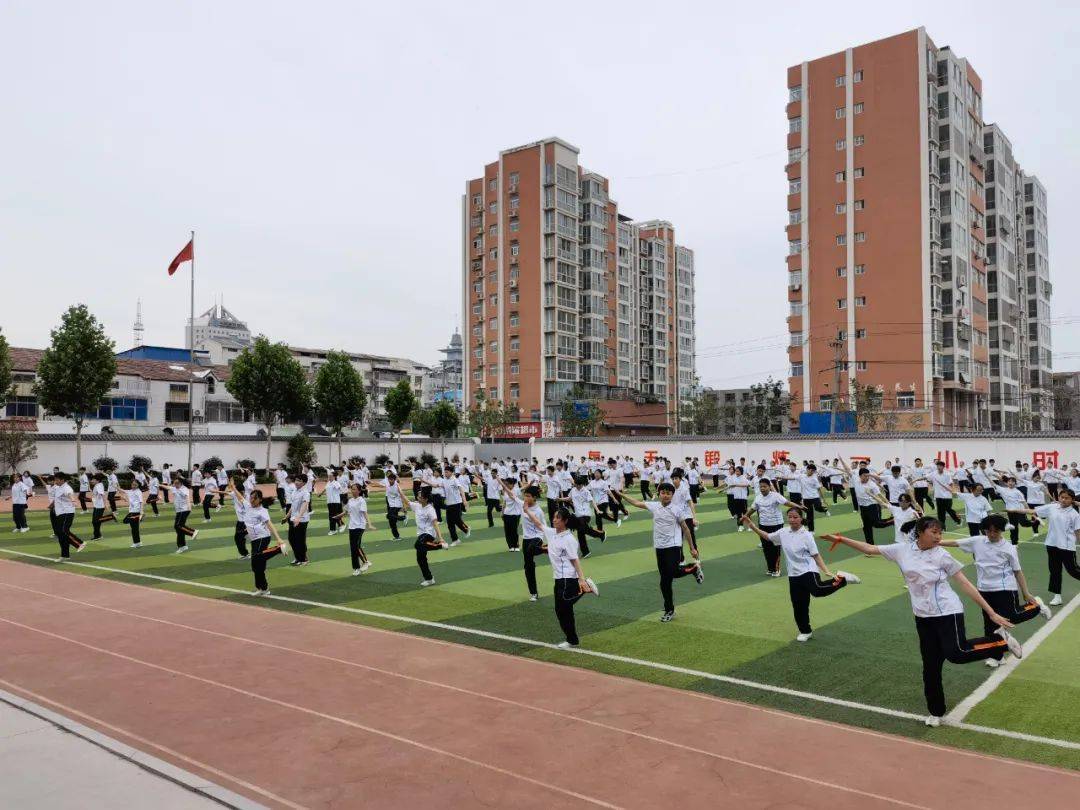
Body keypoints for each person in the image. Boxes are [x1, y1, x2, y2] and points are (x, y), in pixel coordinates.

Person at [823, 517, 1021, 727]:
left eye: (940, 533)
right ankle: (936, 711)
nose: (938, 536)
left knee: (957, 653)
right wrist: (842, 539)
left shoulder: (942, 555)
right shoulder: (902, 550)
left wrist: (991, 613)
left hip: (947, 612)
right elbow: (871, 548)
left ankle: (1001, 641)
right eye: (934, 532)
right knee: (931, 666)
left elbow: (964, 583)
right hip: (923, 617)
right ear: (920, 532)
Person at [940, 514, 1051, 667]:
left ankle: (1037, 606)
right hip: (984, 589)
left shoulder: (1009, 548)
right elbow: (955, 542)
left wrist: (1026, 593)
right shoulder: (977, 541)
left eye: (996, 531)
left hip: (1005, 588)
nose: (992, 534)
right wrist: (935, 542)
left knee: (1012, 617)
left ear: (1001, 531)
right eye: (989, 531)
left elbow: (1018, 571)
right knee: (990, 624)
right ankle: (997, 657)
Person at [742, 509, 861, 641]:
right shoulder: (783, 532)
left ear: (801, 518)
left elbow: (816, 555)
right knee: (799, 604)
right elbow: (768, 537)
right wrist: (752, 526)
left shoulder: (806, 535)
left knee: (817, 590)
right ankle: (805, 631)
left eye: (795, 517)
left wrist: (826, 570)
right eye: (790, 517)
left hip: (808, 570)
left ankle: (843, 579)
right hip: (793, 574)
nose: (792, 520)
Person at [622, 483, 704, 623]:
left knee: (673, 572)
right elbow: (636, 503)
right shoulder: (655, 506)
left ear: (672, 495)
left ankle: (694, 568)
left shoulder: (677, 510)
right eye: (663, 492)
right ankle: (669, 609)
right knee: (664, 582)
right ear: (659, 493)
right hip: (659, 548)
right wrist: (621, 494)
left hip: (673, 546)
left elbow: (686, 529)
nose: (665, 495)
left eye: (668, 493)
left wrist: (692, 548)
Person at [544, 507, 598, 648]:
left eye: (557, 518)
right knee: (562, 610)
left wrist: (581, 578)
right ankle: (572, 639)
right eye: (554, 517)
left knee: (564, 606)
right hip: (559, 578)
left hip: (567, 578)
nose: (554, 519)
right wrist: (524, 508)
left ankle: (586, 588)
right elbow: (538, 523)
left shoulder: (569, 539)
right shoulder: (554, 534)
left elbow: (575, 560)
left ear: (565, 521)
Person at [1030, 487, 1080, 606]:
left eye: (1066, 498)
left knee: (1073, 570)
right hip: (1051, 544)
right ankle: (1057, 596)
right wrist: (1014, 510)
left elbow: (1078, 532)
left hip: (1067, 546)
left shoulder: (1074, 514)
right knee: (1054, 571)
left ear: (1071, 500)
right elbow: (1033, 511)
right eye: (1061, 497)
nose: (1063, 500)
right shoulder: (1052, 507)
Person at [746, 478, 806, 577]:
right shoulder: (758, 497)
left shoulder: (775, 496)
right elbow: (753, 508)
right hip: (763, 525)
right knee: (766, 548)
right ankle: (770, 568)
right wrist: (745, 516)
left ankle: (776, 569)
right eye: (761, 487)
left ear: (769, 486)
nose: (762, 488)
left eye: (765, 486)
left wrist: (799, 507)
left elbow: (787, 503)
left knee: (775, 547)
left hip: (776, 525)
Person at [502, 481, 548, 600]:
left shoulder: (538, 511)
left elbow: (544, 527)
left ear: (534, 497)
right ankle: (534, 593)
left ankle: (545, 549)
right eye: (525, 495)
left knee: (531, 549)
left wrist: (551, 540)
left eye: (528, 496)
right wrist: (503, 485)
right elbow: (512, 496)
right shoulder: (522, 504)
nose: (526, 498)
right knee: (528, 566)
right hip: (526, 538)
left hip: (537, 537)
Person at [399, 486, 448, 587]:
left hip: (429, 534)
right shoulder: (417, 506)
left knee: (418, 544)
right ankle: (429, 579)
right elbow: (407, 501)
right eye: (418, 496)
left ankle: (440, 545)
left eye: (420, 497)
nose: (418, 498)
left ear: (425, 499)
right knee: (420, 558)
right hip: (421, 534)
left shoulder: (430, 509)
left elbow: (435, 524)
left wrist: (440, 537)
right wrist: (399, 490)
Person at [244, 489, 289, 596]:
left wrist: (278, 538)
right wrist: (233, 487)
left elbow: (270, 524)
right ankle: (263, 588)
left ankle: (278, 549)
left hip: (262, 537)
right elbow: (240, 498)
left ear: (259, 500)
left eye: (254, 498)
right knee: (257, 566)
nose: (251, 500)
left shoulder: (262, 511)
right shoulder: (248, 506)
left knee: (257, 558)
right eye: (250, 497)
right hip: (254, 539)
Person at [561, 476, 605, 557]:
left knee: (582, 529)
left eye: (579, 485)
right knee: (581, 533)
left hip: (585, 514)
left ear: (582, 484)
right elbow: (569, 498)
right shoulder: (573, 490)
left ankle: (600, 535)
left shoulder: (586, 491)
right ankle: (586, 551)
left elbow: (592, 501)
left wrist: (597, 510)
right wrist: (560, 499)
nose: (577, 486)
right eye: (576, 485)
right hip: (577, 515)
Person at [50, 473, 86, 559]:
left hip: (67, 512)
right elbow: (57, 499)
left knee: (63, 531)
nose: (55, 481)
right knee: (59, 533)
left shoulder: (66, 488)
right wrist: (52, 505)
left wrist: (73, 501)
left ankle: (79, 543)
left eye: (57, 480)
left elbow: (70, 494)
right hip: (60, 513)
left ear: (62, 480)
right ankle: (65, 555)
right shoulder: (59, 488)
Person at [343, 483, 375, 575]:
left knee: (355, 546)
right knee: (353, 548)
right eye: (351, 489)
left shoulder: (361, 501)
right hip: (352, 526)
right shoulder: (350, 500)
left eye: (354, 489)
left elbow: (365, 513)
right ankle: (356, 568)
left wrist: (369, 524)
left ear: (359, 491)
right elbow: (346, 511)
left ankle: (365, 562)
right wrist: (338, 516)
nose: (352, 491)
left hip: (360, 526)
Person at [164, 475, 199, 552]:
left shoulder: (184, 489)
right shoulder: (174, 488)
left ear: (181, 483)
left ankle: (192, 532)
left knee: (178, 525)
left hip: (184, 510)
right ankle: (182, 546)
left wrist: (189, 507)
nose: (175, 484)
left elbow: (187, 498)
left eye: (177, 483)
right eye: (174, 483)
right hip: (179, 511)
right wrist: (159, 484)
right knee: (179, 528)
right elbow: (167, 487)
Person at [368, 472, 406, 541]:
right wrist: (371, 483)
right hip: (391, 505)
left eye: (391, 480)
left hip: (397, 505)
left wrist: (404, 507)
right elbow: (380, 485)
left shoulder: (397, 486)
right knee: (392, 522)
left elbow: (402, 496)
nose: (390, 481)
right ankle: (397, 536)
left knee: (389, 516)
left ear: (394, 480)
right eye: (389, 479)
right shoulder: (387, 483)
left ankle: (402, 518)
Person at [288, 473, 312, 566]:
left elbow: (304, 505)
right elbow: (293, 506)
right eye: (296, 480)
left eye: (299, 481)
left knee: (300, 540)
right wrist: (287, 516)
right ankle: (297, 557)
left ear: (304, 483)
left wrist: (298, 517)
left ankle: (303, 559)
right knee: (291, 539)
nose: (296, 482)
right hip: (293, 519)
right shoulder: (294, 491)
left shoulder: (305, 493)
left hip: (302, 520)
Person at [115, 481, 145, 548]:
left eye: (135, 484)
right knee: (134, 528)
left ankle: (137, 543)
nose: (133, 485)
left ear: (138, 485)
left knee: (127, 522)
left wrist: (142, 511)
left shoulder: (138, 492)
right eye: (132, 484)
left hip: (136, 511)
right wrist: (116, 486)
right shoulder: (130, 491)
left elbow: (141, 502)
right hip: (131, 511)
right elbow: (122, 490)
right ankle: (137, 543)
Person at [226, 477, 250, 558]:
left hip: (247, 522)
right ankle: (245, 554)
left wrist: (232, 485)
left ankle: (246, 554)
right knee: (238, 538)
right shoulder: (234, 494)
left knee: (240, 537)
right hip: (240, 522)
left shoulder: (248, 497)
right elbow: (227, 491)